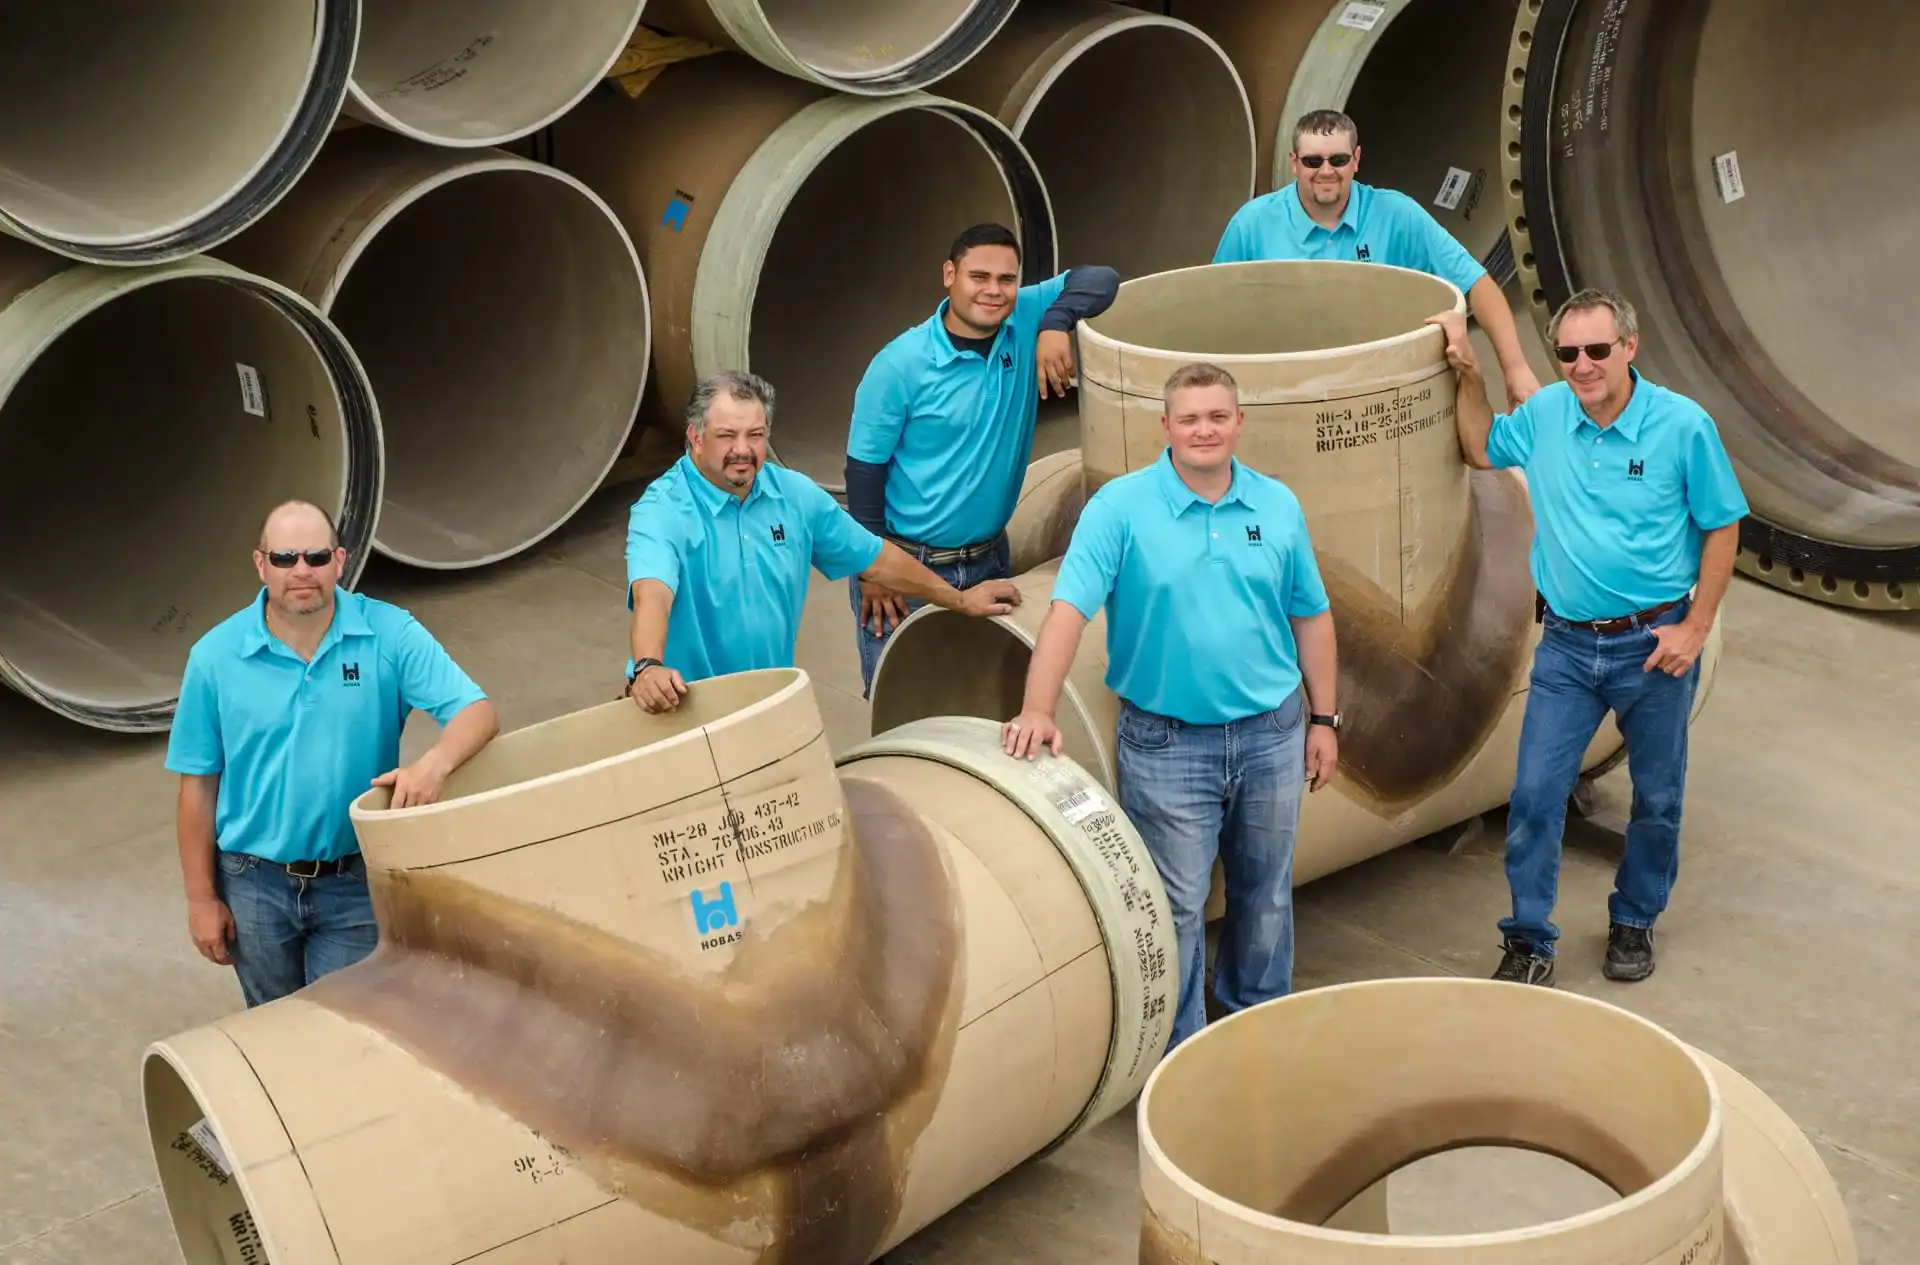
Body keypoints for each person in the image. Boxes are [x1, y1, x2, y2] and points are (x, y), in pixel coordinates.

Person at [1000, 362, 1341, 1050]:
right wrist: (1037, 706)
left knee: (1266, 891)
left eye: (1217, 416)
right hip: (1167, 746)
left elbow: (1311, 615)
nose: (1204, 430)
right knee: (1174, 906)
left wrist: (1324, 718)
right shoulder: (1120, 509)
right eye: (1189, 418)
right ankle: (1178, 1051)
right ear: (1165, 427)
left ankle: (1252, 1022)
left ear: (1239, 423)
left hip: (1271, 734)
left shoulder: (1276, 506)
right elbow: (1067, 611)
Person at [1429, 287, 1749, 987]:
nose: (1581, 365)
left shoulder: (1682, 427)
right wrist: (1471, 376)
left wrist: (1695, 627)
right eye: (1568, 352)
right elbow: (1481, 446)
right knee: (1537, 793)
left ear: (1630, 347)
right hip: (1570, 649)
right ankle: (1529, 938)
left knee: (1658, 798)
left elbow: (1723, 524)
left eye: (1597, 350)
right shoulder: (1546, 415)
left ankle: (1635, 918)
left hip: (1654, 647)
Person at [165, 499, 500, 1008]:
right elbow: (198, 788)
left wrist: (432, 765)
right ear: (261, 565)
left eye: (317, 557)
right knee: (275, 1029)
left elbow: (476, 711)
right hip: (253, 884)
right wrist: (200, 898)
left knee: (345, 1028)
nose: (302, 571)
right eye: (285, 559)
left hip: (353, 882)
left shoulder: (388, 634)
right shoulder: (215, 658)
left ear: (340, 562)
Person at [624, 369, 1024, 712]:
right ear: (695, 437)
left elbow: (878, 559)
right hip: (679, 706)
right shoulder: (662, 510)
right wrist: (648, 667)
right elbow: (652, 593)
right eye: (727, 435)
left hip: (767, 704)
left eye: (756, 434)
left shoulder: (795, 496)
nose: (743, 450)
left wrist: (958, 598)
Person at [842, 222, 1120, 695]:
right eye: (979, 277)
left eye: (1007, 280)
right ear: (949, 275)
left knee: (987, 701)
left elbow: (1103, 279)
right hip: (907, 569)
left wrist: (1055, 324)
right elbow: (863, 475)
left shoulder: (1026, 316)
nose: (993, 291)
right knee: (906, 705)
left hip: (990, 560)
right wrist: (874, 569)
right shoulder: (900, 365)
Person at [1214, 109, 1543, 407]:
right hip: (1283, 392)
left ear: (1356, 159)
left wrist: (1516, 370)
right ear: (1294, 162)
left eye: (1338, 160)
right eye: (1313, 161)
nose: (1326, 171)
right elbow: (1212, 311)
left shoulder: (1396, 215)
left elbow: (1477, 284)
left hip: (1378, 391)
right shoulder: (1252, 225)